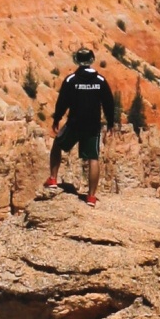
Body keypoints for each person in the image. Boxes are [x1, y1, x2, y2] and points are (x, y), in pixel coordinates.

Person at [42, 47, 117, 205]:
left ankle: (53, 179)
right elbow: (109, 104)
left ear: (76, 60)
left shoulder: (71, 80)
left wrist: (57, 118)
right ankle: (91, 196)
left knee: (58, 144)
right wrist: (111, 122)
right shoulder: (100, 81)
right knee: (93, 158)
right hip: (93, 126)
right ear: (91, 60)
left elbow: (62, 102)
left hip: (74, 124)